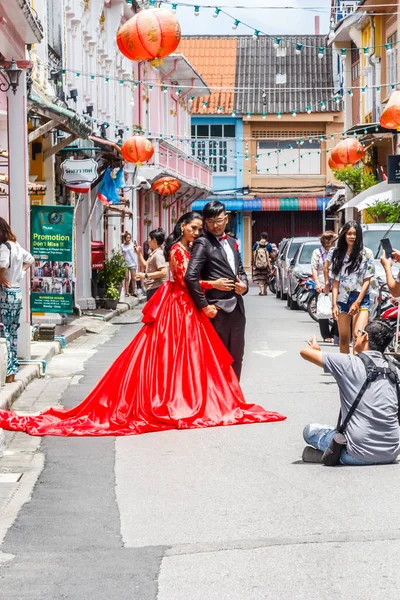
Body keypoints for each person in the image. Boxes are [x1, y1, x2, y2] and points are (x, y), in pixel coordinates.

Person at [0, 212, 285, 436]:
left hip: (183, 306)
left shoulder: (186, 248)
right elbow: (186, 282)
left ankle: (181, 397)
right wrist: (213, 284)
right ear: (182, 227)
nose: (197, 232)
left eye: (200, 229)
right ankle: (175, 400)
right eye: (193, 228)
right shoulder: (177, 250)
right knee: (171, 356)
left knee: (184, 359)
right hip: (178, 305)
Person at [300, 321, 400, 466]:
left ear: (365, 337)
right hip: (391, 452)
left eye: (358, 334)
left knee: (310, 431)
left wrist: (315, 348)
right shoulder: (395, 371)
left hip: (358, 454)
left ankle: (334, 455)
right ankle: (333, 454)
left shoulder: (348, 363)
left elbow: (305, 352)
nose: (355, 338)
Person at [185, 201, 248, 380]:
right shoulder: (202, 243)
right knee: (217, 359)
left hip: (237, 308)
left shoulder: (233, 242)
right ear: (205, 222)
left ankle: (234, 399)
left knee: (237, 357)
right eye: (211, 221)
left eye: (219, 220)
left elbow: (240, 271)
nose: (215, 225)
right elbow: (190, 276)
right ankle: (218, 402)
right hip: (216, 310)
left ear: (226, 219)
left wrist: (243, 285)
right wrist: (205, 306)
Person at [324, 221, 375, 354]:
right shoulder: (337, 253)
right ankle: (345, 369)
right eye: (349, 234)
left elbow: (367, 280)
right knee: (344, 338)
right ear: (344, 235)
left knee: (358, 337)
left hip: (361, 299)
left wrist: (357, 302)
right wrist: (334, 304)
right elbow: (335, 282)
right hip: (342, 299)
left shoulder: (367, 253)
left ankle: (357, 369)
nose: (352, 237)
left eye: (355, 234)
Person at [0, 218, 34, 383]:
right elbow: (31, 259)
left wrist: (1, 277)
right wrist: (20, 272)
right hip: (16, 291)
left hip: (5, 293)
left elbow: (3, 264)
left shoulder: (4, 247)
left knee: (4, 333)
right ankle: (11, 373)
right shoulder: (16, 246)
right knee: (12, 333)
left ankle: (6, 371)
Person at [311, 231, 336, 343]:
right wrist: (317, 283)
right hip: (321, 284)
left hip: (335, 283)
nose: (328, 242)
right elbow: (314, 268)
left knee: (337, 309)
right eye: (326, 239)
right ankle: (326, 335)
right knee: (323, 310)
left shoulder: (337, 252)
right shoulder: (317, 252)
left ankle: (336, 332)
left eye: (330, 239)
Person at [136, 228, 167, 302]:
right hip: (152, 288)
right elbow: (145, 266)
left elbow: (163, 272)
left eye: (149, 239)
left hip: (156, 288)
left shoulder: (158, 254)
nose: (147, 241)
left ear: (154, 241)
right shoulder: (153, 253)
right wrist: (139, 253)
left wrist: (145, 275)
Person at [121, 232, 138, 297]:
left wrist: (136, 248)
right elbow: (121, 254)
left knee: (133, 278)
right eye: (127, 237)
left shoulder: (132, 245)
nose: (128, 239)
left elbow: (136, 252)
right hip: (125, 263)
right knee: (126, 278)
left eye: (129, 237)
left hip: (132, 263)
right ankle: (127, 292)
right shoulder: (122, 246)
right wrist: (121, 257)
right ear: (125, 238)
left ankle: (134, 292)